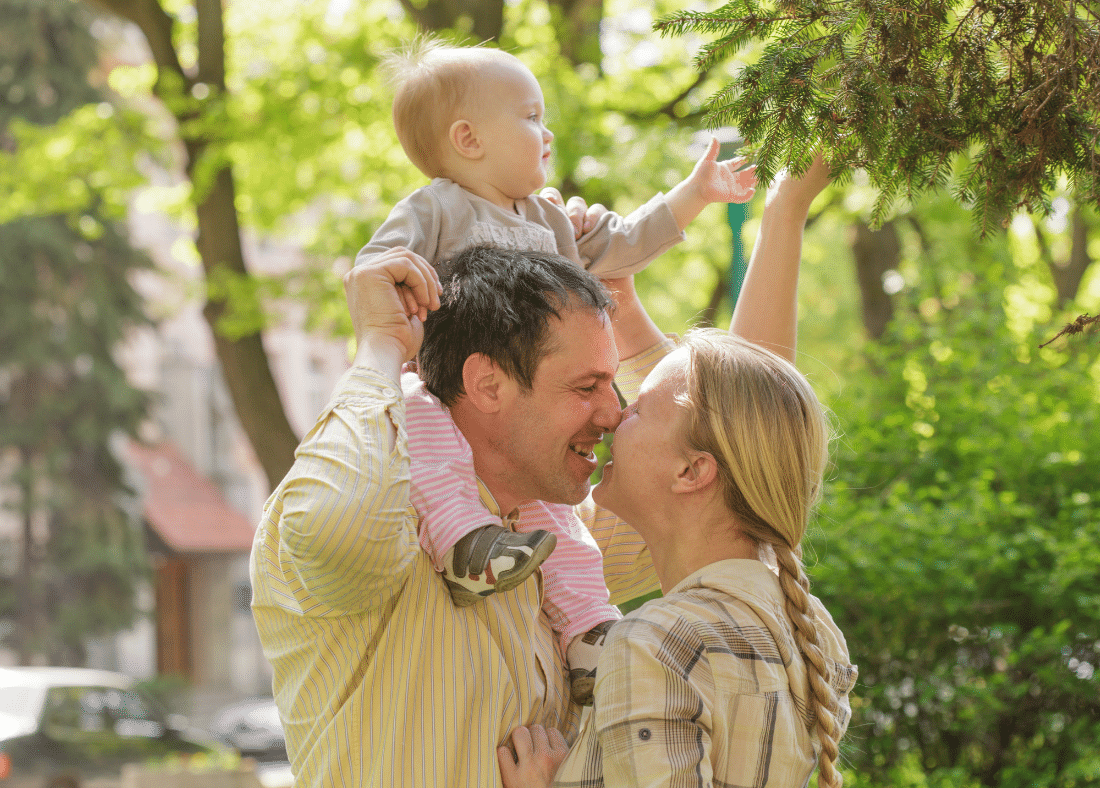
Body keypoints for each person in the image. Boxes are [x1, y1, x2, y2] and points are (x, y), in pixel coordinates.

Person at [250, 158, 829, 787]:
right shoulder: (379, 515)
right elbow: (337, 534)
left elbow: (740, 447)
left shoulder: (563, 538)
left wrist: (782, 214)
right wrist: (378, 349)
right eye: (586, 387)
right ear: (487, 384)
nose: (613, 414)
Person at [357, 35, 757, 703]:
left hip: (523, 418)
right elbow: (375, 271)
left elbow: (623, 246)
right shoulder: (434, 209)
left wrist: (695, 194)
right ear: (468, 139)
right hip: (445, 386)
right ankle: (464, 545)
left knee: (563, 526)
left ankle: (589, 634)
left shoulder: (550, 218)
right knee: (424, 437)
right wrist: (395, 311)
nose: (546, 133)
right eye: (530, 116)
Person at [496, 325, 858, 788]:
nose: (615, 416)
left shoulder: (655, 644)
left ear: (691, 471)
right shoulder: (813, 631)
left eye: (639, 409)